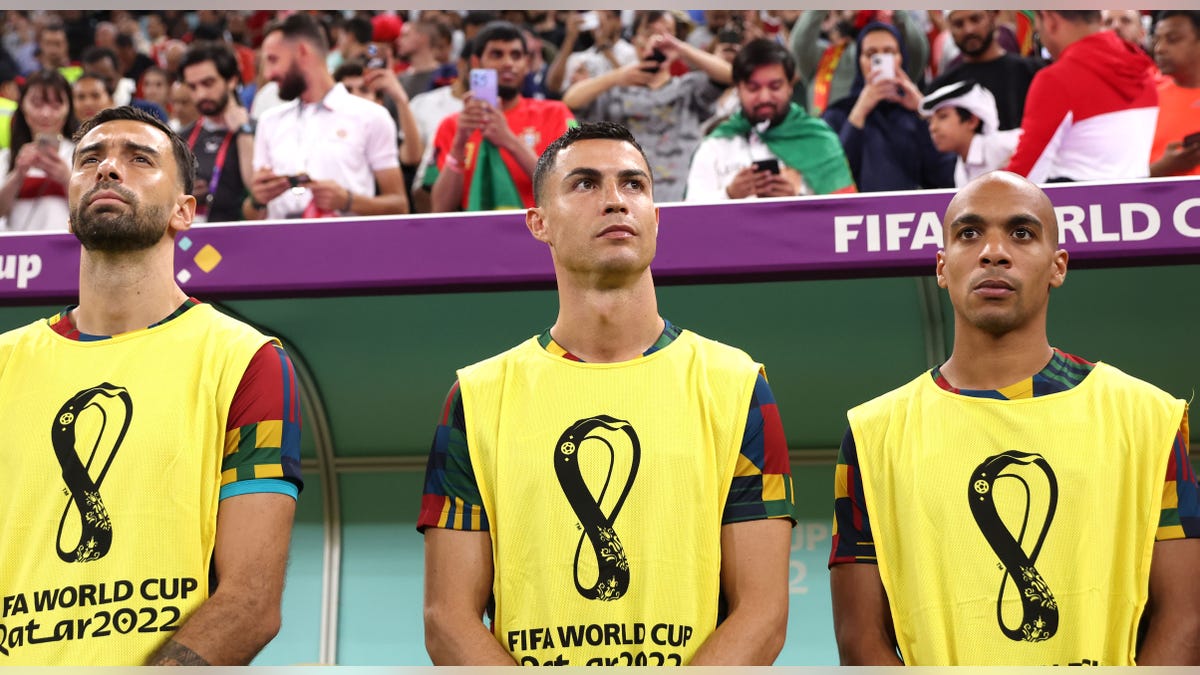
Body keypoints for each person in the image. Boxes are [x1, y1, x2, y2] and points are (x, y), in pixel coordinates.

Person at [419, 122, 795, 666]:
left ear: (656, 219)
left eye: (634, 185)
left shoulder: (737, 384)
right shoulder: (476, 396)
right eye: (586, 184)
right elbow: (447, 620)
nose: (616, 200)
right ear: (538, 223)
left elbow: (762, 614)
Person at [829, 171, 1200, 666]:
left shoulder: (1148, 419)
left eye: (1022, 233)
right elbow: (861, 640)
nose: (993, 252)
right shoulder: (873, 435)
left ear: (1058, 266)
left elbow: (1187, 619)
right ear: (941, 266)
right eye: (969, 234)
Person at [0, 106, 302, 665]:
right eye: (91, 158)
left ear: (185, 212)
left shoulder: (246, 360)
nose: (108, 169)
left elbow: (251, 602)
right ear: (69, 210)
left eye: (139, 159)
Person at [561, 11, 735, 203]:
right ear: (635, 40)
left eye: (667, 32)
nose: (658, 39)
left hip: (686, 199)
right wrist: (618, 76)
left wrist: (679, 48)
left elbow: (732, 75)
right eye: (650, 32)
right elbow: (570, 100)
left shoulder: (689, 89)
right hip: (632, 203)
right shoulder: (616, 93)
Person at [250, 12, 409, 220]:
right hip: (281, 247)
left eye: (273, 60)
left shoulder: (372, 116)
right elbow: (252, 216)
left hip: (348, 247)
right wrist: (257, 200)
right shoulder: (268, 122)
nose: (268, 74)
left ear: (302, 52)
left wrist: (347, 201)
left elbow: (399, 205)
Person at [429, 21, 575, 212]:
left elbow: (571, 187)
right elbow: (440, 209)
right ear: (475, 63)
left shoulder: (556, 113)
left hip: (544, 235)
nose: (508, 63)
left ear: (527, 64)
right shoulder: (453, 125)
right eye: (496, 54)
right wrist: (459, 144)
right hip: (475, 236)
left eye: (516, 55)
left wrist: (508, 140)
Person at [686, 39, 855, 201]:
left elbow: (843, 215)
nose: (765, 97)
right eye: (753, 88)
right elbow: (688, 217)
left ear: (790, 87)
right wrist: (729, 195)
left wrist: (796, 201)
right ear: (738, 89)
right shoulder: (716, 145)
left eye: (775, 87)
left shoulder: (820, 140)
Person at [1005, 11, 1157, 183]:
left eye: (1038, 30)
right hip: (1135, 204)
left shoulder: (1057, 79)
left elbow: (1024, 179)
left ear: (1050, 20)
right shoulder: (1144, 72)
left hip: (1071, 206)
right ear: (1098, 18)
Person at [822, 21, 954, 192]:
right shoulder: (837, 114)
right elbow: (832, 178)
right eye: (871, 54)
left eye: (889, 53)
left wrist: (924, 110)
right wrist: (859, 112)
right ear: (859, 61)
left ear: (902, 58)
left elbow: (947, 175)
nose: (880, 60)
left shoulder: (918, 112)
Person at [925, 10, 1042, 132]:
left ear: (993, 17)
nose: (969, 30)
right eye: (959, 24)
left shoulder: (1031, 72)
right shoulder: (943, 87)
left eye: (975, 19)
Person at [179, 41, 255, 223]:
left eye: (208, 83)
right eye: (193, 87)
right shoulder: (181, 138)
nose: (200, 95)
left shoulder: (259, 131)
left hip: (246, 239)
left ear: (232, 80)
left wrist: (243, 132)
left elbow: (258, 191)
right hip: (193, 242)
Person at [0, 69, 77, 231]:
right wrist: (18, 175)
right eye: (36, 104)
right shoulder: (5, 158)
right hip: (18, 253)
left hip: (69, 250)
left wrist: (66, 178)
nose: (46, 114)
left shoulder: (81, 154)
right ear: (22, 107)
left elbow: (95, 213)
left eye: (56, 105)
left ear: (68, 108)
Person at [922, 81, 1022, 187]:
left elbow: (1033, 141)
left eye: (943, 117)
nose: (933, 128)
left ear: (972, 121)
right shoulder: (959, 169)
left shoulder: (1001, 145)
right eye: (930, 121)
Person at [1148, 11, 1200, 177]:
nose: (1160, 48)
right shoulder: (1145, 103)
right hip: (1156, 202)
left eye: (1173, 39)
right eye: (1157, 39)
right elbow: (1120, 179)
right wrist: (1163, 168)